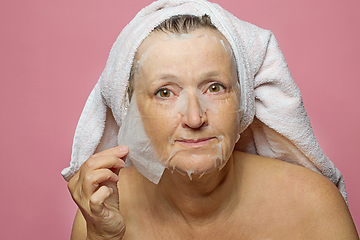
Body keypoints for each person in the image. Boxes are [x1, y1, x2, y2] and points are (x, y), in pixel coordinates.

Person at [63, 1, 359, 239]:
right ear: (131, 111)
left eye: (214, 87)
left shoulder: (312, 206)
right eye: (165, 92)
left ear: (243, 101)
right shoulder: (102, 212)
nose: (194, 117)